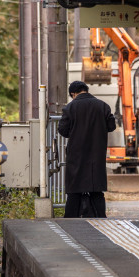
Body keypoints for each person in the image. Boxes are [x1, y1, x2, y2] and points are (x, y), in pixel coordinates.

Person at [57, 81, 116, 218]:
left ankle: (71, 219)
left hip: (76, 154)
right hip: (97, 153)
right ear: (86, 90)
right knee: (96, 190)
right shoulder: (103, 106)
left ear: (73, 94)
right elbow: (111, 126)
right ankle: (100, 217)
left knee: (74, 190)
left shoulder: (70, 107)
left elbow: (63, 130)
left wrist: (75, 133)